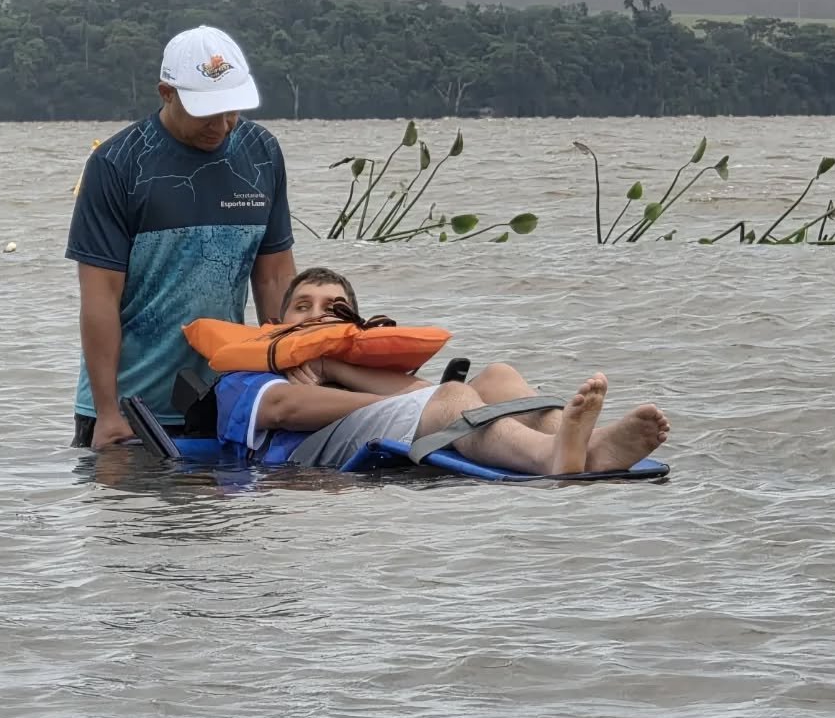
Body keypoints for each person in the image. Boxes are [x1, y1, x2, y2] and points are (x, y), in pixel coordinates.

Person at [67, 24, 296, 450]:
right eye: (207, 113)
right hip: (132, 411)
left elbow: (275, 278)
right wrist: (108, 412)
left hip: (227, 400)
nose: (222, 126)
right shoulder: (116, 164)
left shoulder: (262, 153)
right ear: (166, 93)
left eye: (232, 110)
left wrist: (285, 379)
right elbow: (100, 297)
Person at [215, 267, 671, 478]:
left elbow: (421, 392)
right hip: (303, 454)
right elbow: (284, 408)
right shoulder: (249, 370)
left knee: (498, 376)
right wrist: (400, 400)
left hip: (382, 416)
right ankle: (550, 455)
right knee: (453, 398)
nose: (318, 315)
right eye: (302, 306)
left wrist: (334, 363)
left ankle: (587, 445)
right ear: (277, 322)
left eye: (334, 308)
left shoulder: (353, 365)